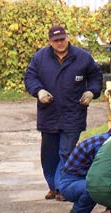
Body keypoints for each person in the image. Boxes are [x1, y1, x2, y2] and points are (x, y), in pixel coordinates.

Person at [24, 25, 103, 201]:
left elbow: (97, 76)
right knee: (49, 154)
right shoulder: (40, 58)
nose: (60, 43)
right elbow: (30, 77)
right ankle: (53, 186)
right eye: (56, 40)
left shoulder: (82, 57)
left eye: (62, 39)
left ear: (67, 38)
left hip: (73, 112)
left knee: (66, 152)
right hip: (49, 113)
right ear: (50, 41)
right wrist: (39, 91)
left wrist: (91, 92)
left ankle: (63, 188)